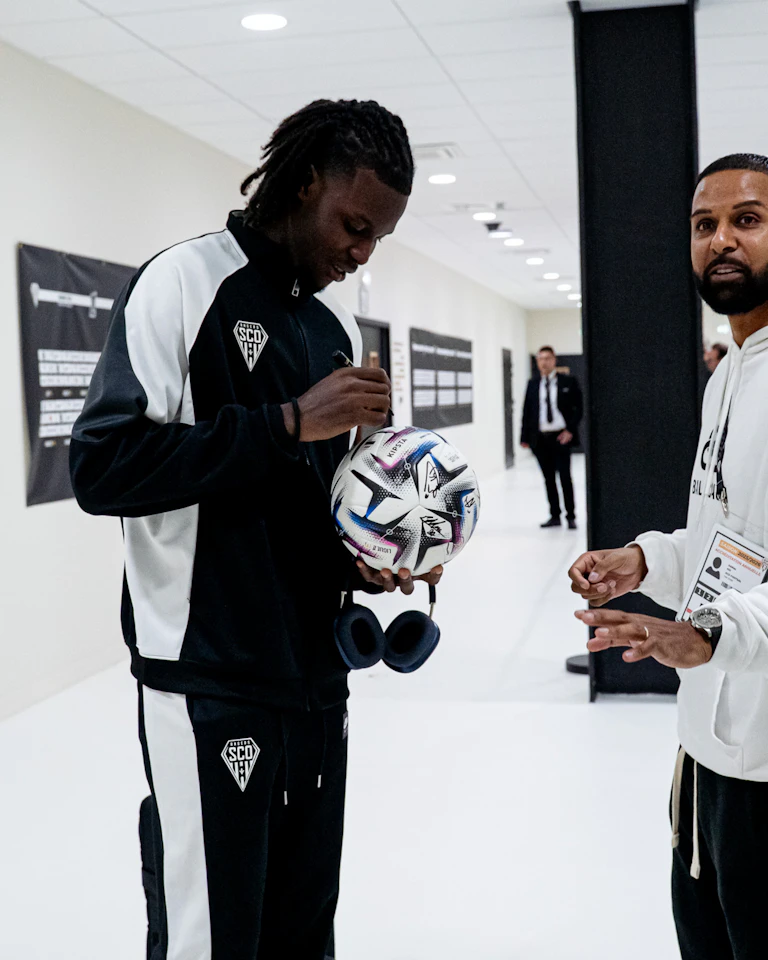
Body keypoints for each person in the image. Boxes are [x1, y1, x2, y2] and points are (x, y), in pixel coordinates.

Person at [69, 99, 443, 960]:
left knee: (304, 932)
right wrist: (282, 424)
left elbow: (313, 498)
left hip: (316, 681)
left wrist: (369, 557)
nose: (362, 251)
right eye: (354, 225)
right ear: (304, 181)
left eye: (378, 236)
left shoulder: (334, 326)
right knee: (214, 938)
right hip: (208, 679)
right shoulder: (183, 284)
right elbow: (101, 467)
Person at [568, 153, 768, 960]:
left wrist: (715, 634)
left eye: (747, 220)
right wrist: (645, 562)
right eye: (703, 225)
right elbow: (731, 543)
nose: (721, 240)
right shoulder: (727, 377)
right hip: (705, 749)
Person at [521, 346, 583, 529]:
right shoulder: (533, 384)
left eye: (547, 358)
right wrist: (524, 438)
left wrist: (570, 430)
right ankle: (554, 515)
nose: (544, 362)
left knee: (565, 477)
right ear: (537, 362)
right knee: (548, 478)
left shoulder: (568, 382)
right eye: (540, 359)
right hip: (540, 439)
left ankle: (571, 516)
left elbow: (578, 408)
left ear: (554, 360)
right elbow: (527, 412)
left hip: (560, 437)